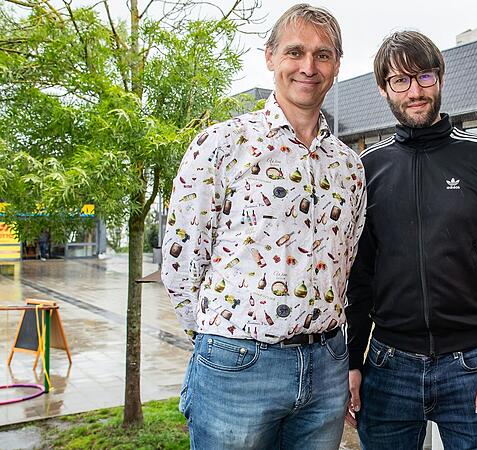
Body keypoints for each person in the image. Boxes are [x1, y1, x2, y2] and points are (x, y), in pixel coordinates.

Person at [161, 4, 366, 449]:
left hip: (327, 364)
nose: (308, 67)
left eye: (323, 55)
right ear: (270, 56)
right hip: (238, 366)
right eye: (296, 51)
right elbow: (182, 257)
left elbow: (345, 258)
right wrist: (216, 338)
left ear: (336, 66)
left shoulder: (349, 166)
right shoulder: (222, 144)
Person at [345, 31, 477, 449]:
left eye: (424, 77)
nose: (415, 91)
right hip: (389, 367)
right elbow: (358, 276)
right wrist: (352, 362)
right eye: (401, 81)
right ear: (383, 89)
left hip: (476, 365)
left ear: (440, 78)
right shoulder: (367, 167)